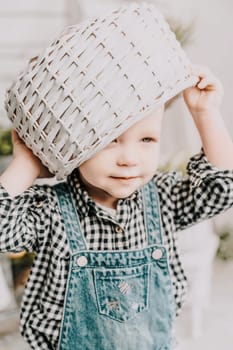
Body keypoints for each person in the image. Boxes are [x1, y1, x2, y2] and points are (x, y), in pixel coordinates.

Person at [1, 3, 233, 350]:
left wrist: (205, 114)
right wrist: (26, 163)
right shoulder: (50, 209)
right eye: (108, 142)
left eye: (146, 140)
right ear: (72, 144)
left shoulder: (164, 198)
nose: (129, 159)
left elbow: (222, 187)